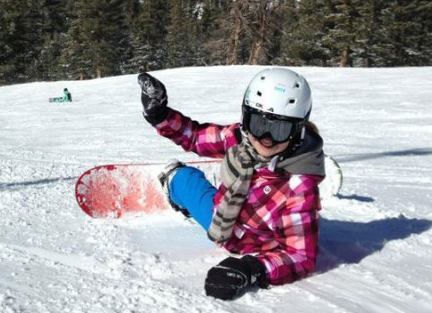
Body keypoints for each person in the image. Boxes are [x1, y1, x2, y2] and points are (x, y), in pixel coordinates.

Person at [138, 68, 326, 300]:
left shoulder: (299, 186)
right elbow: (196, 137)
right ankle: (177, 181)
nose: (266, 138)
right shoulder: (240, 138)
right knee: (180, 178)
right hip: (220, 219)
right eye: (259, 124)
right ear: (245, 119)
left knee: (186, 181)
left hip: (252, 246)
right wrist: (160, 116)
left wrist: (251, 269)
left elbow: (300, 257)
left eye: (280, 129)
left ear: (298, 130)